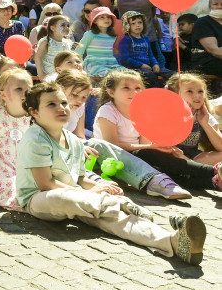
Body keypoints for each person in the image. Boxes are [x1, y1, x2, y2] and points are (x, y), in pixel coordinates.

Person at [17, 82, 207, 266]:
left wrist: (98, 187)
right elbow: (46, 184)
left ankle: (173, 242)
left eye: (63, 103)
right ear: (34, 112)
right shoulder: (35, 138)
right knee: (65, 198)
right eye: (51, 104)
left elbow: (80, 177)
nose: (61, 108)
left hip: (83, 199)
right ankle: (120, 204)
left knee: (116, 219)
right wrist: (94, 194)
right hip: (40, 199)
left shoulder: (73, 140)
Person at [56, 69, 189, 199]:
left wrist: (79, 144)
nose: (80, 100)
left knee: (158, 155)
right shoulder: (50, 109)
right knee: (99, 144)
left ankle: (159, 180)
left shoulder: (79, 107)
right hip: (61, 153)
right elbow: (50, 137)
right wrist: (77, 146)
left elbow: (79, 136)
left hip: (87, 153)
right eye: (74, 95)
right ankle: (152, 181)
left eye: (84, 97)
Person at [93, 69, 222, 192]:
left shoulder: (142, 110)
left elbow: (145, 143)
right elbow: (112, 145)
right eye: (126, 88)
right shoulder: (107, 111)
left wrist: (159, 148)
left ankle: (214, 183)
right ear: (111, 92)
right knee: (154, 159)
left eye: (138, 88)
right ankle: (213, 172)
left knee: (163, 168)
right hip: (111, 157)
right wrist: (152, 147)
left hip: (140, 155)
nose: (134, 92)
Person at [0, 69, 33, 210]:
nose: (25, 93)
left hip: (28, 172)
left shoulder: (35, 117)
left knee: (28, 186)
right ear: (2, 95)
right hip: (2, 174)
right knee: (12, 187)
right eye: (19, 89)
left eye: (29, 89)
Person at [166, 73, 222, 165]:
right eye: (190, 91)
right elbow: (164, 145)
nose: (197, 96)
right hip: (170, 155)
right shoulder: (167, 114)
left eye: (200, 91)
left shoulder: (204, 116)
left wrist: (205, 123)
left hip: (193, 157)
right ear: (175, 94)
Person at [118, 11, 173, 87]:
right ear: (127, 26)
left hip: (149, 66)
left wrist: (156, 64)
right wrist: (142, 65)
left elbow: (151, 55)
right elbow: (125, 59)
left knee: (172, 74)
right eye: (133, 23)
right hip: (134, 68)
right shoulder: (126, 40)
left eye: (140, 22)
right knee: (149, 75)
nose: (137, 25)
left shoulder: (146, 38)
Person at [75, 7, 122, 77]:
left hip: (111, 64)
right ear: (95, 21)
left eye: (108, 17)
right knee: (110, 75)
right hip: (94, 65)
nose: (106, 19)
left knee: (126, 73)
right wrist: (80, 67)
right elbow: (78, 51)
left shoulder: (112, 36)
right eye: (102, 17)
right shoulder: (90, 34)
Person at [190, 0, 222, 75]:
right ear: (210, 6)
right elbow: (214, 50)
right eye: (215, 4)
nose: (219, 7)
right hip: (206, 61)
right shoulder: (203, 22)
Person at [34, 15, 73, 80]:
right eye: (62, 25)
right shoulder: (46, 41)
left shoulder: (67, 42)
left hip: (63, 74)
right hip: (49, 74)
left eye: (68, 25)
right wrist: (41, 74)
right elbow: (38, 57)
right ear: (53, 28)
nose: (66, 28)